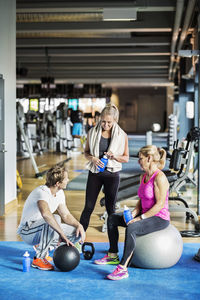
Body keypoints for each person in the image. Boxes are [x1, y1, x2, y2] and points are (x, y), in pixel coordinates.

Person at [94, 145, 170, 280]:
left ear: (149, 158)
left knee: (132, 228)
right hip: (144, 214)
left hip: (159, 218)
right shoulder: (144, 176)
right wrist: (133, 213)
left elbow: (159, 205)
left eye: (140, 159)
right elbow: (141, 200)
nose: (138, 161)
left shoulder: (160, 178)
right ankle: (112, 255)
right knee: (112, 218)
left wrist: (139, 218)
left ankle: (123, 268)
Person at [17, 164, 85, 271]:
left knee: (75, 232)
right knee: (54, 218)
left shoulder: (59, 193)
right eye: (66, 179)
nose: (68, 180)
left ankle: (43, 247)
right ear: (58, 183)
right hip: (27, 231)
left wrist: (79, 225)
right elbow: (46, 214)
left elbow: (66, 215)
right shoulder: (42, 192)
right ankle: (39, 259)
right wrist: (61, 234)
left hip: (41, 229)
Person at [80, 103, 129, 231]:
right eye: (103, 122)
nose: (105, 125)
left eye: (109, 122)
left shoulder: (122, 135)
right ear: (99, 119)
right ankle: (78, 241)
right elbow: (86, 153)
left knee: (111, 210)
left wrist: (115, 156)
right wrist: (93, 159)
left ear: (115, 121)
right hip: (95, 173)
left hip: (112, 175)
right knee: (88, 207)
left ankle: (113, 248)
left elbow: (126, 158)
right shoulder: (92, 132)